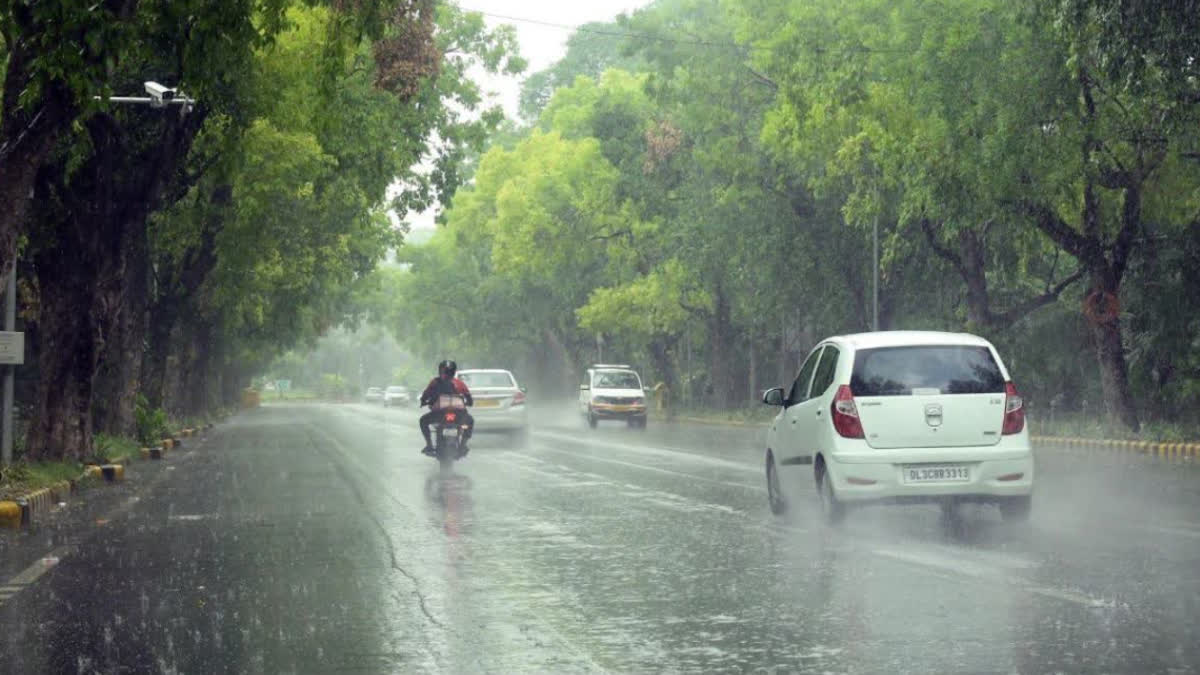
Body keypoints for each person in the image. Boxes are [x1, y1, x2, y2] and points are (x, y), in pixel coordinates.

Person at [419, 360, 474, 456]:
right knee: (470, 422)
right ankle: (463, 445)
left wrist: (423, 402)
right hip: (459, 415)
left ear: (440, 370)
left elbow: (425, 395)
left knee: (423, 421)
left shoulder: (434, 382)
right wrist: (468, 403)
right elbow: (469, 398)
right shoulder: (459, 383)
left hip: (438, 415)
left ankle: (429, 445)